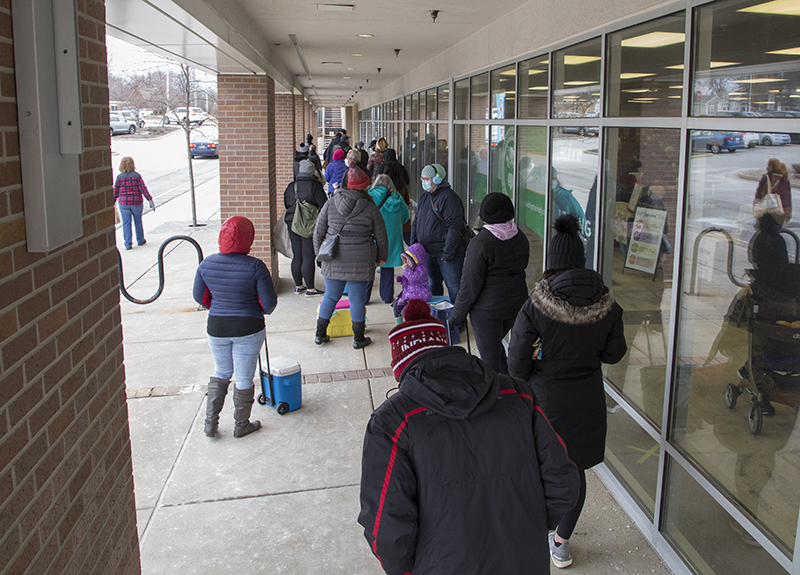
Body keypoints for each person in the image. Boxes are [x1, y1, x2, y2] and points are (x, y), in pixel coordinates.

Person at [358, 299, 580, 575]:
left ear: (401, 366)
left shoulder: (392, 424)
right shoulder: (518, 394)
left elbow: (387, 532)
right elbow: (564, 483)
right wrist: (529, 527)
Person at [507, 214, 627, 569]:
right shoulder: (608, 306)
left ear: (553, 262)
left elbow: (516, 362)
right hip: (588, 400)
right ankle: (561, 542)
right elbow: (614, 354)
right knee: (575, 472)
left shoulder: (536, 306)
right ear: (581, 261)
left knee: (538, 469)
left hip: (545, 401)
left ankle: (534, 528)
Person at [193, 216, 278, 438]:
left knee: (221, 371)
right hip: (248, 327)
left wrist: (219, 306)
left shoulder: (206, 264)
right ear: (249, 239)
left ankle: (210, 424)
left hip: (218, 326)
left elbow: (200, 298)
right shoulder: (256, 267)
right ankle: (241, 425)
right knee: (243, 377)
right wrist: (253, 309)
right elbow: (268, 304)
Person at [451, 193, 530, 374]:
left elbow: (469, 284)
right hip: (515, 306)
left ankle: (495, 395)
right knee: (496, 349)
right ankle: (507, 383)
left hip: (487, 311)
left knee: (489, 357)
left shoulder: (481, 242)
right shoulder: (520, 237)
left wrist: (457, 315)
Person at [313, 166, 389, 349]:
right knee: (356, 300)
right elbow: (381, 236)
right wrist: (382, 257)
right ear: (364, 186)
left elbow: (318, 232)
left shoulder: (331, 203)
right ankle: (358, 338)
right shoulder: (370, 207)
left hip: (333, 258)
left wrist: (320, 255)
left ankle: (320, 334)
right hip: (362, 259)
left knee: (330, 297)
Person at [410, 163, 467, 303]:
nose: (423, 182)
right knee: (432, 284)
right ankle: (436, 316)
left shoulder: (449, 198)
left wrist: (447, 252)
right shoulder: (425, 196)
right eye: (422, 178)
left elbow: (454, 227)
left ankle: (458, 320)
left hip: (446, 253)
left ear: (436, 179)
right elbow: (416, 221)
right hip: (428, 252)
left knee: (454, 286)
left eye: (426, 178)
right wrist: (414, 246)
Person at [284, 159, 328, 296]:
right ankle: (310, 288)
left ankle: (298, 286)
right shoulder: (315, 186)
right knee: (308, 255)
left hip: (293, 223)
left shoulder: (291, 186)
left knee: (297, 255)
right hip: (309, 225)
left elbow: (286, 204)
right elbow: (324, 206)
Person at [367, 174, 409, 303]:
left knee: (369, 267)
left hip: (373, 236)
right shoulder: (398, 198)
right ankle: (387, 296)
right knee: (387, 266)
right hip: (392, 237)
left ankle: (364, 297)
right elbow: (405, 218)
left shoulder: (370, 197)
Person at [114, 156, 155, 250]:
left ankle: (128, 243)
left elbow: (115, 191)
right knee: (138, 221)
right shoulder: (137, 176)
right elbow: (143, 189)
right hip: (136, 202)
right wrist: (149, 199)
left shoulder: (119, 177)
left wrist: (113, 201)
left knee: (126, 223)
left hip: (124, 203)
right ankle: (140, 239)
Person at [374, 148, 411, 244]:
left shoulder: (382, 168)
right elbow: (407, 182)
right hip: (400, 211)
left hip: (385, 216)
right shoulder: (401, 168)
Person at [393, 243, 431, 320]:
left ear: (417, 259)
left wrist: (406, 270)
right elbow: (408, 280)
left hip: (419, 295)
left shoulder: (421, 269)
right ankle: (399, 323)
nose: (408, 261)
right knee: (396, 305)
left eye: (410, 259)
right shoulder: (411, 268)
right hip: (409, 294)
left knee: (405, 311)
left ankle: (408, 324)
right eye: (406, 259)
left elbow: (413, 278)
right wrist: (401, 279)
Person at [754, 158, 792, 224]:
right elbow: (788, 196)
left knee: (764, 229)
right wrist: (789, 212)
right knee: (776, 230)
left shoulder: (767, 177)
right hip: (783, 210)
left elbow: (759, 193)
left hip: (769, 209)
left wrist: (756, 202)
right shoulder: (785, 179)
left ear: (771, 166)